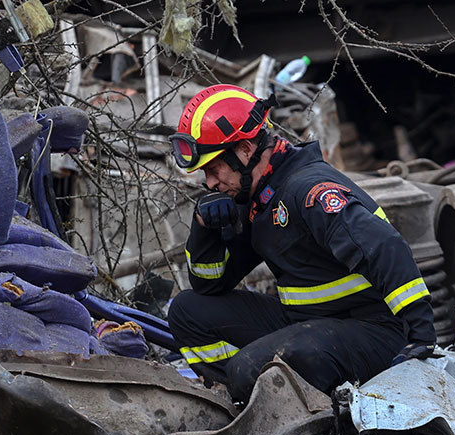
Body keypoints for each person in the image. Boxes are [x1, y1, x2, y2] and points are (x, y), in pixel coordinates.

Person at [168, 84, 435, 402]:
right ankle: (241, 402)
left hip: (372, 329)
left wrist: (420, 334)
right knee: (187, 310)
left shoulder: (308, 190)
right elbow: (209, 286)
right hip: (308, 322)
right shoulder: (260, 198)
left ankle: (309, 415)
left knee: (249, 370)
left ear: (245, 149)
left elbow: (385, 246)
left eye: (214, 169)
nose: (209, 182)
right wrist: (204, 228)